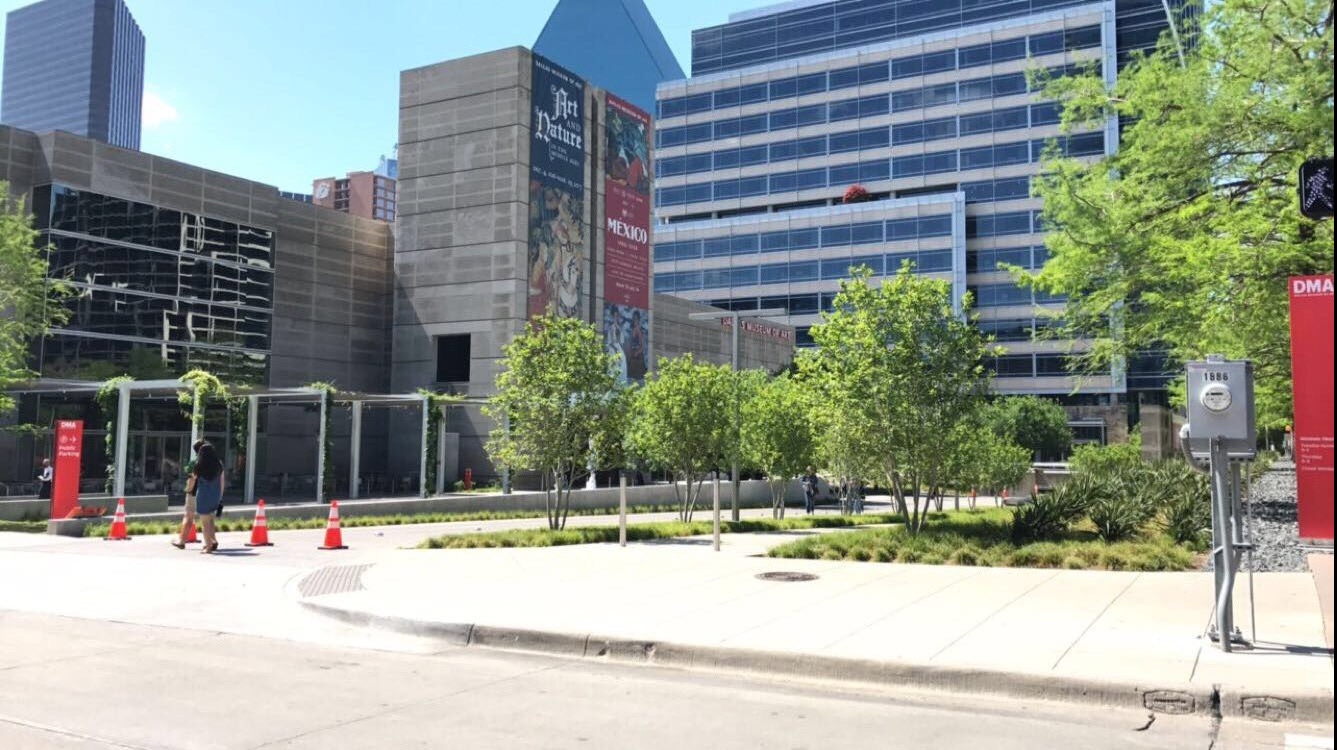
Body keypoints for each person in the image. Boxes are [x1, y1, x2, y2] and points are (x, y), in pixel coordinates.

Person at [175, 440, 224, 553]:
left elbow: (193, 481)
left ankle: (208, 547)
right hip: (215, 496)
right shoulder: (219, 466)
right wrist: (219, 497)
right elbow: (222, 482)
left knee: (204, 523)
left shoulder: (198, 465)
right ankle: (212, 541)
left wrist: (188, 489)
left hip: (203, 496)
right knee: (210, 520)